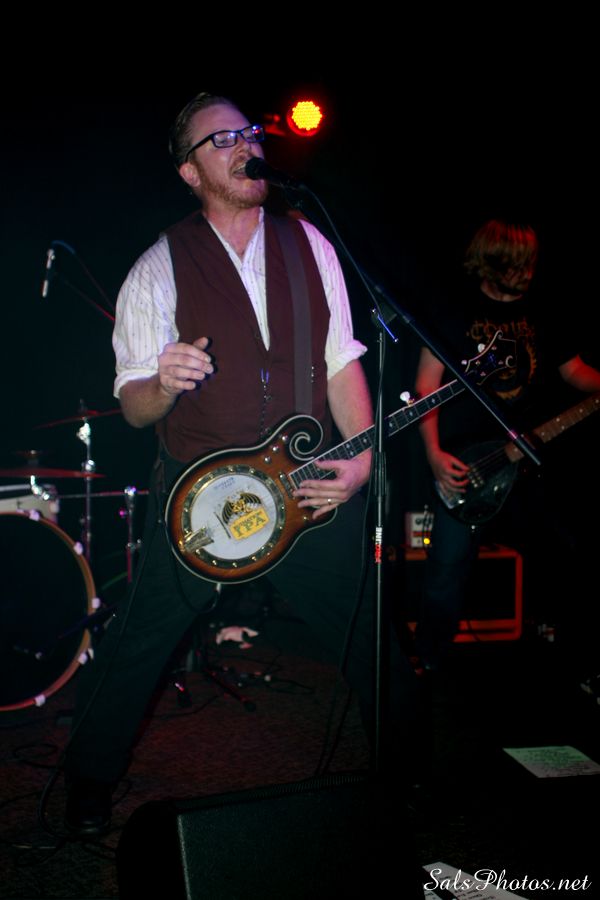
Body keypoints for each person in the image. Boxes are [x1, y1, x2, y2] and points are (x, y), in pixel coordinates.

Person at [63, 92, 420, 836]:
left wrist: (360, 464)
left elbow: (341, 362)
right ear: (190, 172)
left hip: (305, 483)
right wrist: (164, 383)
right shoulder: (159, 265)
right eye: (219, 138)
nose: (243, 144)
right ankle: (87, 780)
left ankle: (407, 770)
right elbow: (134, 405)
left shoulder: (309, 241)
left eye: (248, 132)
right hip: (201, 496)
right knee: (141, 642)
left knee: (368, 631)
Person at [413, 219, 600, 673]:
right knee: (447, 567)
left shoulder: (544, 310)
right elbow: (425, 387)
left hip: (528, 456)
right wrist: (434, 455)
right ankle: (427, 663)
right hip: (465, 459)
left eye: (530, 264)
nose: (527, 273)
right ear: (492, 263)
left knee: (563, 549)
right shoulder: (454, 309)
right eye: (518, 265)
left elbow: (574, 372)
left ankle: (568, 659)